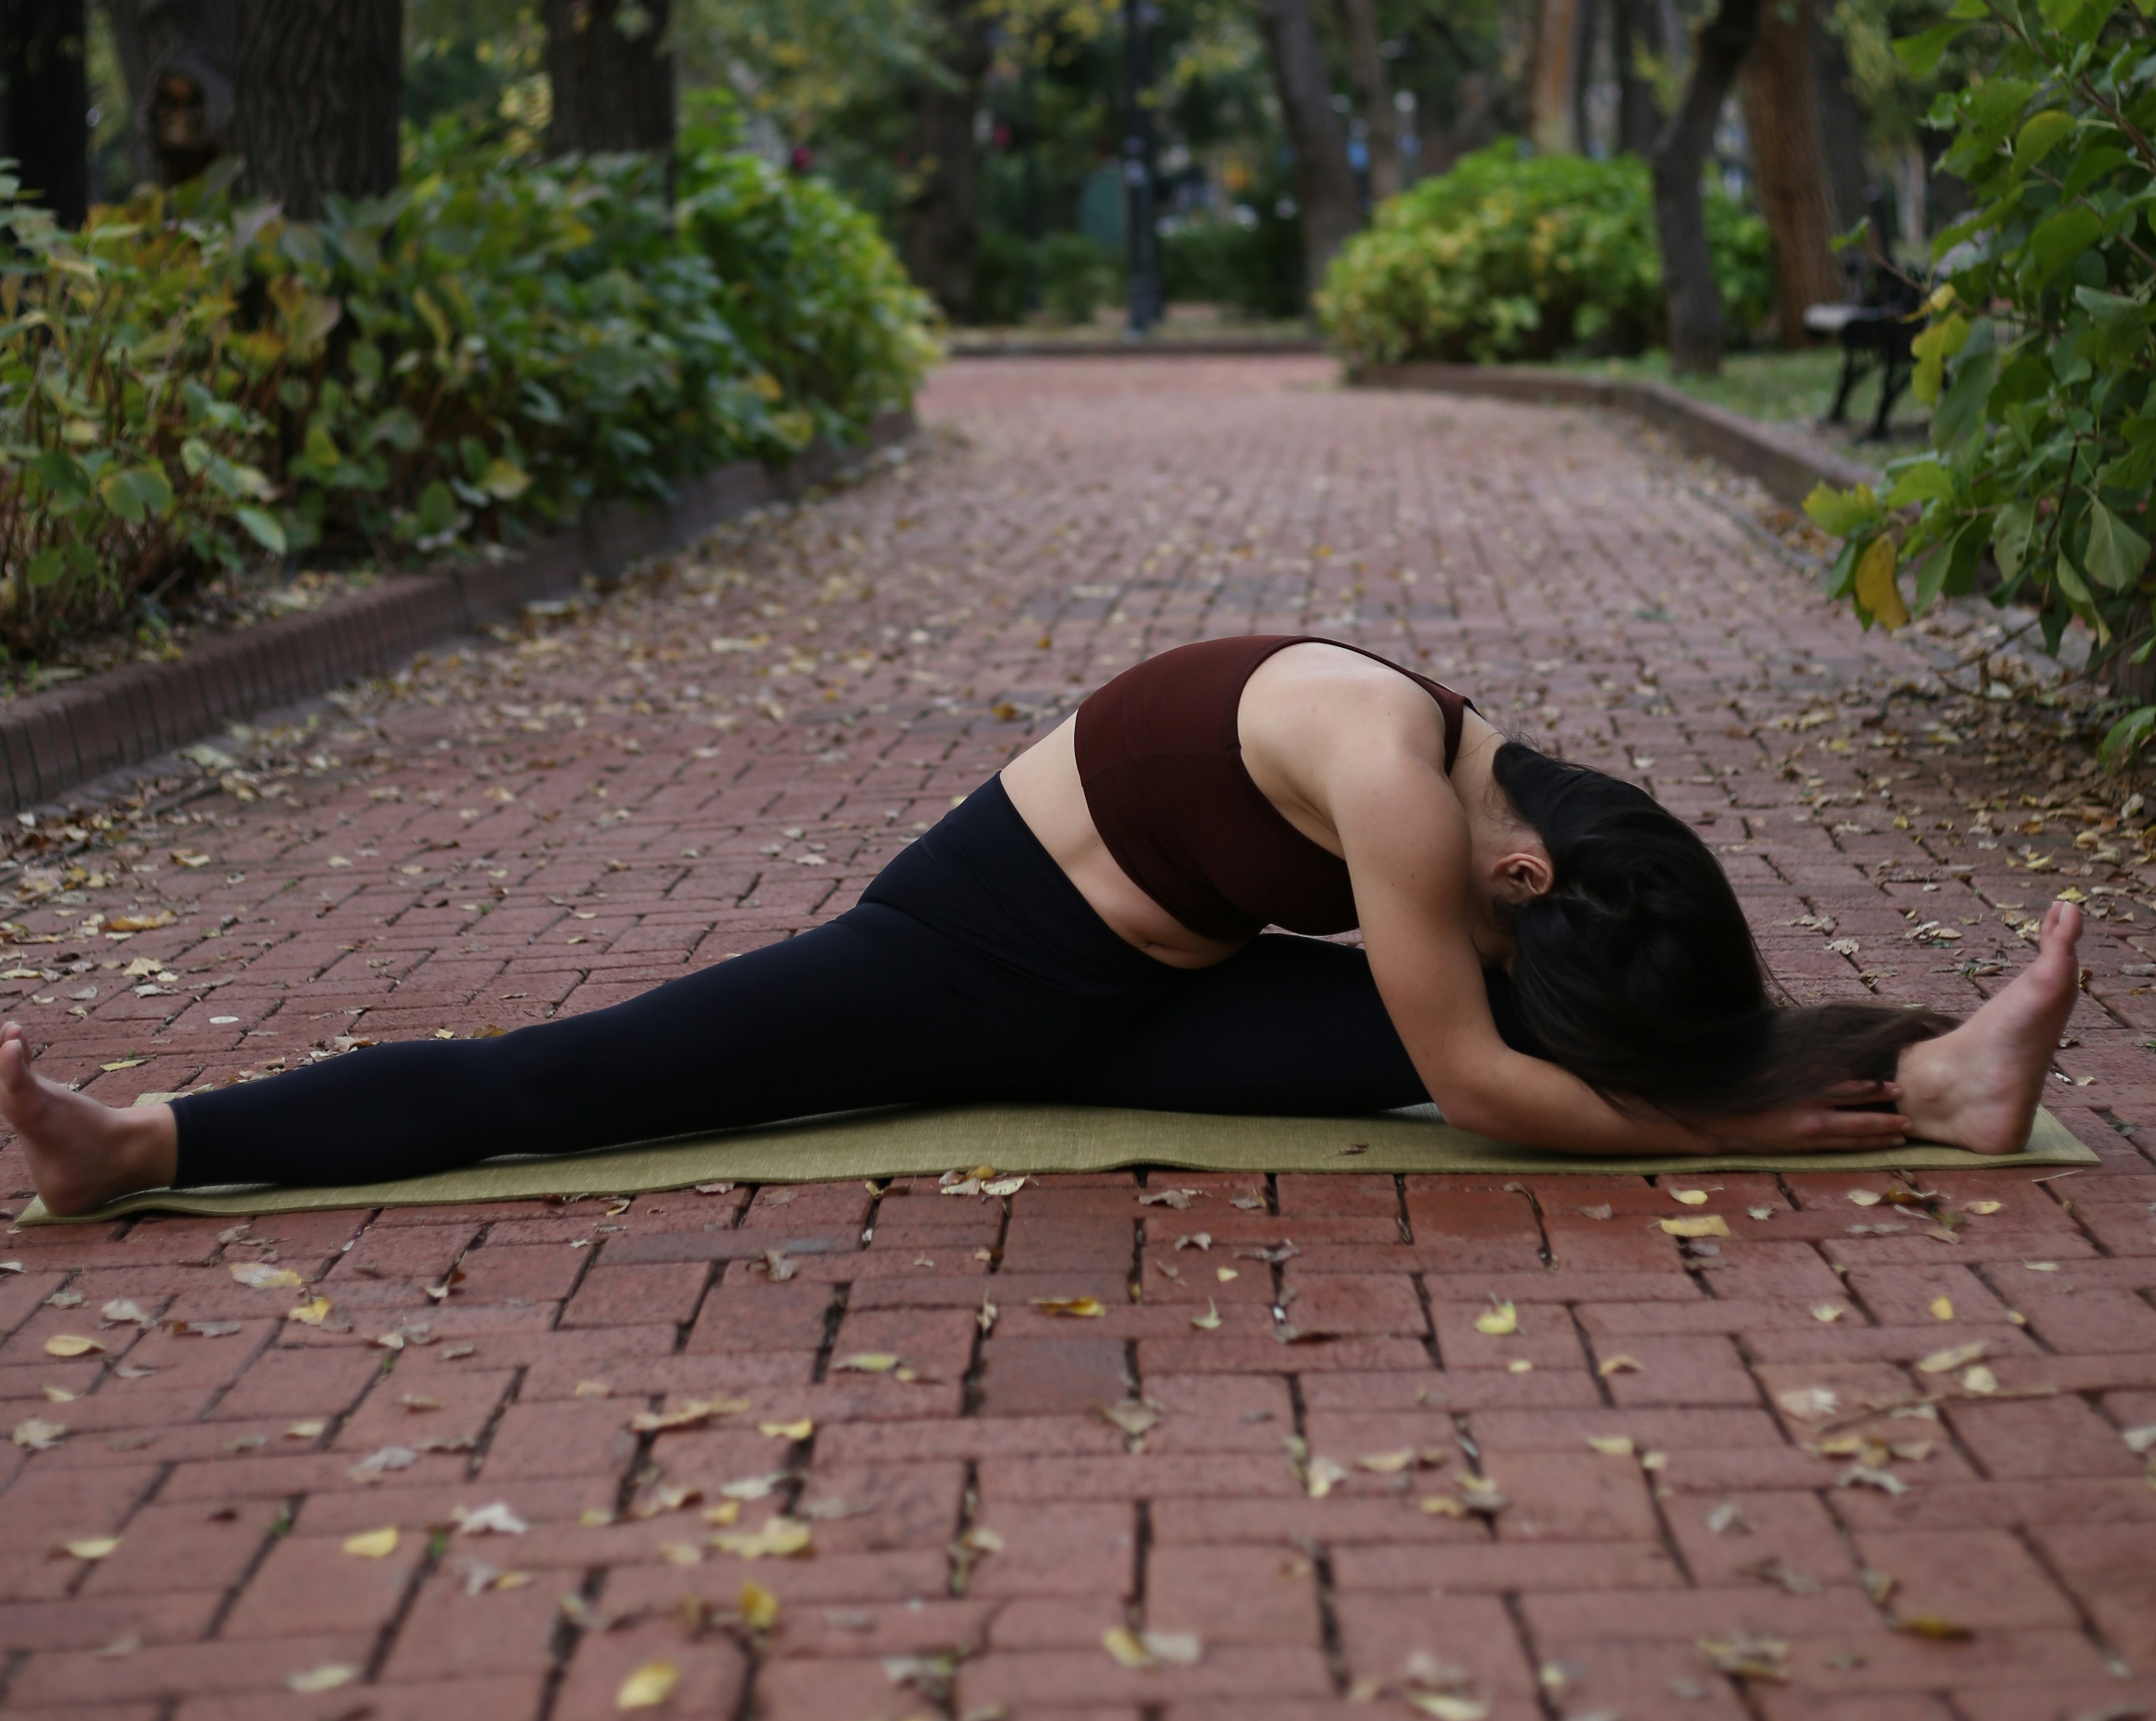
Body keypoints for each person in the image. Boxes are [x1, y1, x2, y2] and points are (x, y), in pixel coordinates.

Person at [0, 635, 2079, 1215]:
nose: (1508, 943)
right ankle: (159, 1137)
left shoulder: (1489, 790)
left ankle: (1931, 1068)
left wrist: (1698, 1073)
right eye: (1532, 936)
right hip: (970, 980)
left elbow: (1506, 1050)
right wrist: (1708, 1140)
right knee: (577, 1080)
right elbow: (1467, 1077)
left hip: (1149, 1013)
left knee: (1539, 1065)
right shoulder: (1387, 770)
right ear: (1517, 873)